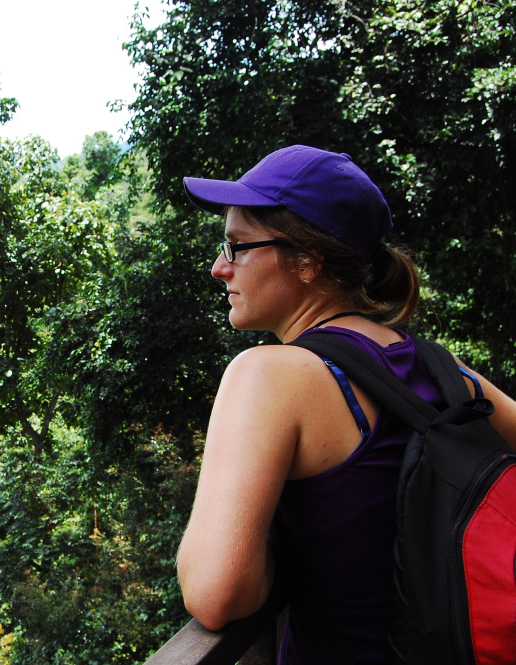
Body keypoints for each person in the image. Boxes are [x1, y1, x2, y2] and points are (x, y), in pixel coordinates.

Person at [174, 145, 516, 664]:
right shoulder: (440, 368)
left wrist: (271, 552)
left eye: (236, 246)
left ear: (308, 260)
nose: (220, 268)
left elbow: (216, 594)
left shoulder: (267, 375)